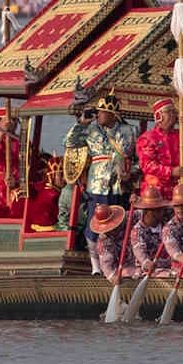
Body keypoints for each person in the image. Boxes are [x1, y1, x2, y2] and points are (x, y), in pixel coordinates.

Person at [63, 92, 139, 274]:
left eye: (101, 112)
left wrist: (131, 173)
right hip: (97, 183)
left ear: (112, 114)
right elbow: (68, 142)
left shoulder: (130, 131)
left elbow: (138, 160)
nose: (97, 115)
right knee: (94, 224)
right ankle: (96, 267)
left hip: (120, 185)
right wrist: (81, 123)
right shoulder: (90, 129)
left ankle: (117, 263)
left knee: (118, 225)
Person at [136, 98, 183, 202]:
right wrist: (171, 171)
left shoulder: (181, 135)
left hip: (178, 190)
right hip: (155, 192)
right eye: (169, 112)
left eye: (174, 112)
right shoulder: (148, 138)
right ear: (159, 116)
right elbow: (147, 165)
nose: (173, 115)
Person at [129, 188, 170, 274]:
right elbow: (138, 249)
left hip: (169, 267)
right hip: (148, 270)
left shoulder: (167, 221)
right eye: (156, 210)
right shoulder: (137, 231)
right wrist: (146, 263)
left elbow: (179, 207)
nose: (161, 212)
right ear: (146, 211)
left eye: (161, 209)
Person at [89, 204, 129, 283]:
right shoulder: (103, 240)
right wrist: (112, 276)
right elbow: (105, 262)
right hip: (123, 268)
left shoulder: (128, 218)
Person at [162, 183, 183, 265]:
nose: (180, 209)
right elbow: (172, 249)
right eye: (177, 206)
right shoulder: (169, 228)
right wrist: (179, 256)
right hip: (181, 268)